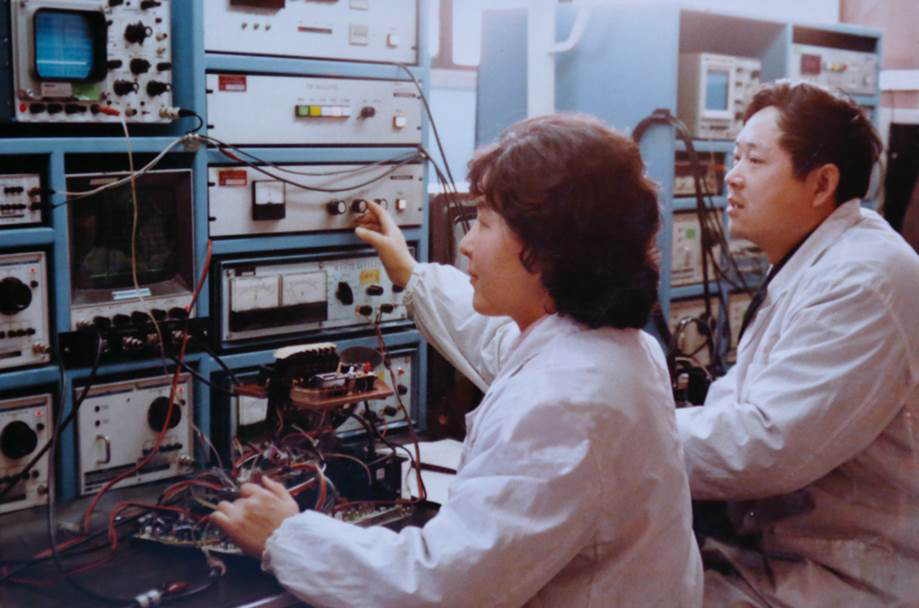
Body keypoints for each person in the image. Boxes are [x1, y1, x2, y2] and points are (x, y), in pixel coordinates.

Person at [211, 113, 703, 607]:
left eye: (484, 223)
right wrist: (411, 274)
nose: (466, 243)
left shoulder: (565, 401)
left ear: (546, 251)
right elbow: (499, 345)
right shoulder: (616, 349)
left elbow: (436, 588)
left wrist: (286, 537)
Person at [677, 80, 919, 606]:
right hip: (786, 547)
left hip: (851, 573)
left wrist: (632, 434)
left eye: (755, 160)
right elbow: (741, 403)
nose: (732, 176)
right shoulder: (816, 259)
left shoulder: (865, 278)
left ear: (822, 183)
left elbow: (766, 447)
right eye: (735, 157)